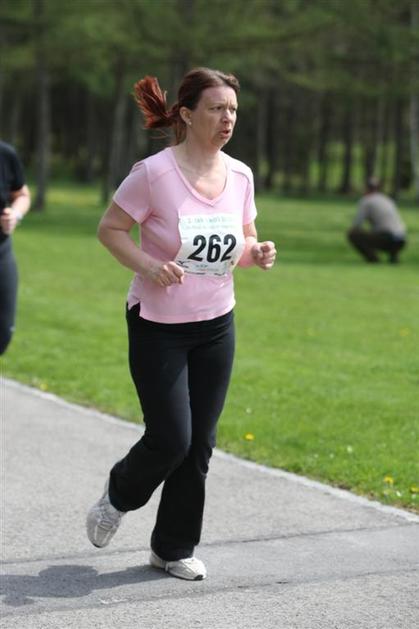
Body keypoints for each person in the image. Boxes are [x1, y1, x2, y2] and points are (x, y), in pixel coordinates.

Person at [86, 67, 276, 581]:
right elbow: (110, 229)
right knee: (171, 438)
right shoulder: (153, 174)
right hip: (158, 324)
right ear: (188, 115)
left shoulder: (240, 175)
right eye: (216, 108)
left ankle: (172, 548)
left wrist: (257, 252)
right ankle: (119, 495)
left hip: (216, 323)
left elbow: (241, 241)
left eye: (233, 109)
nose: (227, 118)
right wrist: (149, 265)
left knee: (200, 444)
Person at [0, 141, 31, 355]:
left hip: (1, 252)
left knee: (3, 332)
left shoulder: (5, 154)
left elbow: (22, 194)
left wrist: (15, 214)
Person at [347, 177, 407, 264]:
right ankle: (393, 257)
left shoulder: (366, 201)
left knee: (353, 234)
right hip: (401, 239)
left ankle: (373, 259)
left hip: (387, 238)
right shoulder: (387, 199)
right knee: (385, 231)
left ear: (366, 188)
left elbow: (357, 224)